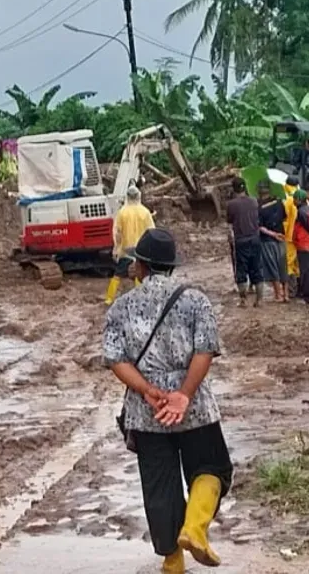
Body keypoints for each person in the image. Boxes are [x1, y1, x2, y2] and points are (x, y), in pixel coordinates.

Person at [103, 228, 232, 574]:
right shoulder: (195, 300)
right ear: (171, 266)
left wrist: (146, 390)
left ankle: (173, 562)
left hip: (146, 412)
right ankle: (195, 529)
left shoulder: (122, 306)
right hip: (193, 405)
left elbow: (116, 359)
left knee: (160, 486)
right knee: (212, 467)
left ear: (141, 266)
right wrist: (184, 394)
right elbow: (205, 350)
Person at [107, 185, 156, 305]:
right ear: (139, 196)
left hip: (126, 250)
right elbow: (152, 231)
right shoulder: (145, 212)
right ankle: (141, 299)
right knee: (140, 274)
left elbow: (117, 233)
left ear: (127, 197)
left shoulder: (122, 212)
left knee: (118, 275)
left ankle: (109, 298)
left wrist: (116, 249)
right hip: (141, 251)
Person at [225, 177, 262, 307]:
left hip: (241, 240)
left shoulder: (231, 204)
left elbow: (229, 223)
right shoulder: (254, 201)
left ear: (233, 189)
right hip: (255, 238)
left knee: (241, 269)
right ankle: (259, 300)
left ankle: (243, 300)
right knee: (256, 267)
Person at [256, 180, 288, 302]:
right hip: (282, 237)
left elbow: (260, 227)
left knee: (272, 266)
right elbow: (284, 218)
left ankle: (278, 295)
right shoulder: (279, 202)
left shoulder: (259, 207)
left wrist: (273, 234)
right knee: (282, 265)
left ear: (259, 191)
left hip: (268, 240)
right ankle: (286, 294)